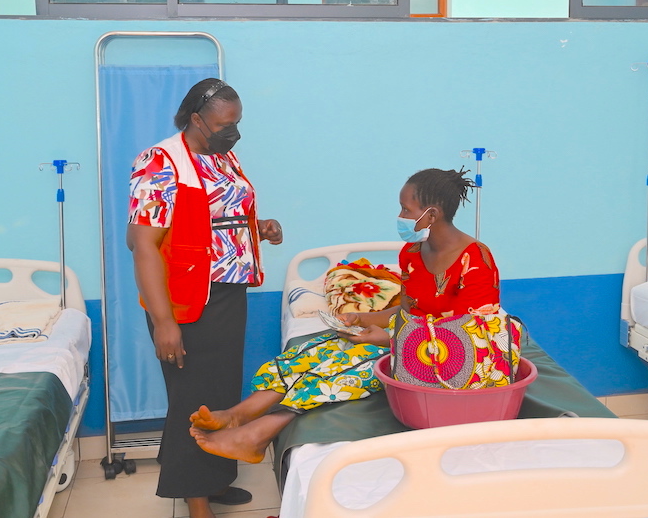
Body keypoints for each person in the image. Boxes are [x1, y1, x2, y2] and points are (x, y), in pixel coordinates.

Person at [188, 168, 500, 463]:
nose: (400, 217)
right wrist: (362, 319)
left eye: (406, 210)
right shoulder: (412, 254)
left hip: (453, 358)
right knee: (312, 352)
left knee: (345, 367)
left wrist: (391, 340)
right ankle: (237, 415)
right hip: (408, 339)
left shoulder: (475, 260)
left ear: (431, 215)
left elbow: (470, 337)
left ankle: (258, 434)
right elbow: (407, 308)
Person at [126, 78, 283, 518]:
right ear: (196, 119)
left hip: (227, 292)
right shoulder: (161, 162)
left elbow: (216, 219)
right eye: (223, 123)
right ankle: (196, 501)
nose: (232, 132)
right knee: (192, 398)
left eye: (237, 123)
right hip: (186, 300)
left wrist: (259, 227)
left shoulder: (222, 156)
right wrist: (164, 322)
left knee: (220, 392)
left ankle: (214, 480)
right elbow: (141, 245)